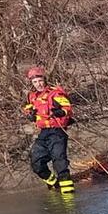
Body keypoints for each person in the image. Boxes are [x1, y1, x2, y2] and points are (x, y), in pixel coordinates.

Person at [21, 66, 74, 194]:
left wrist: (60, 111)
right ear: (32, 83)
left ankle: (68, 195)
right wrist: (29, 114)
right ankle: (53, 183)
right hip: (44, 132)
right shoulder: (32, 96)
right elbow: (27, 108)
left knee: (59, 161)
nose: (38, 84)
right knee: (36, 162)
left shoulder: (55, 93)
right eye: (35, 82)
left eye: (40, 81)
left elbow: (68, 109)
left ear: (44, 80)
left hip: (58, 131)